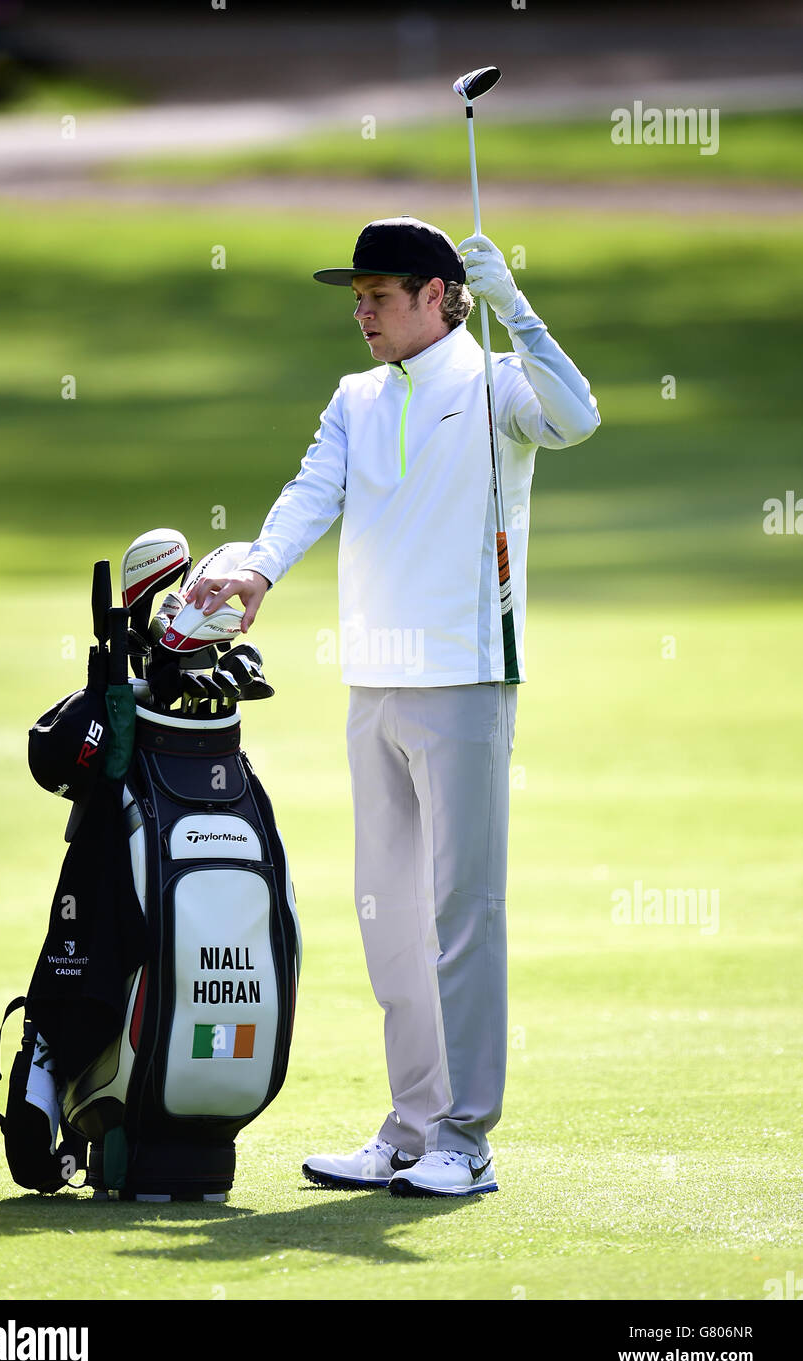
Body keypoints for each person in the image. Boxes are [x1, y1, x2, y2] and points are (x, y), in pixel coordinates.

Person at [185, 217, 600, 1197]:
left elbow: (575, 415)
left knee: (463, 913)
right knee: (389, 917)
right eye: (355, 296)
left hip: (463, 679)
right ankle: (410, 1127)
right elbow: (308, 493)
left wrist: (517, 306)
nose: (361, 311)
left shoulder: (496, 383)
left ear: (433, 295)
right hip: (372, 682)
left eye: (378, 294)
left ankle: (467, 1139)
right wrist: (255, 567)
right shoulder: (355, 398)